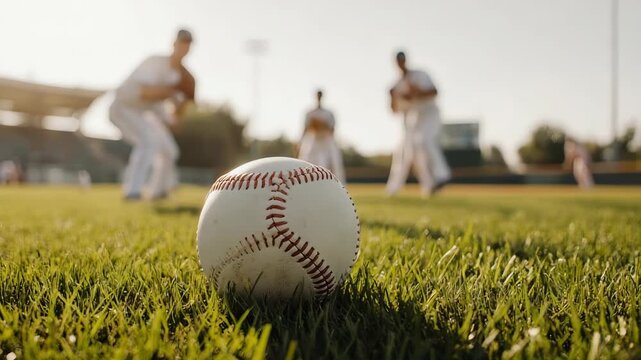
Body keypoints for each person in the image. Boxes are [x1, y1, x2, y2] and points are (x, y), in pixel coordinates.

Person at [109, 29, 196, 200]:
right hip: (123, 107)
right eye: (181, 43)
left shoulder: (179, 75)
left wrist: (175, 115)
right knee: (148, 141)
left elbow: (165, 108)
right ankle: (132, 191)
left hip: (145, 112)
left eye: (187, 44)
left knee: (169, 151)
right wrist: (172, 94)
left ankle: (159, 191)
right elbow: (145, 92)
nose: (183, 47)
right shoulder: (155, 62)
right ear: (174, 43)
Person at [386, 51, 451, 196]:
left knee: (425, 141)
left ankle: (442, 175)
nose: (401, 63)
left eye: (402, 60)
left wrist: (416, 92)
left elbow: (434, 92)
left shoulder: (420, 74)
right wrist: (392, 97)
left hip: (429, 113)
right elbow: (394, 111)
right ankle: (429, 185)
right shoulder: (396, 85)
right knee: (411, 152)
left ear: (406, 60)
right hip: (413, 118)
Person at [298, 89, 346, 182]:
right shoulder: (309, 112)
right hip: (313, 140)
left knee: (333, 164)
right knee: (306, 162)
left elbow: (332, 129)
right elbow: (305, 129)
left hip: (327, 140)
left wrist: (321, 124)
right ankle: (306, 183)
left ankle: (337, 185)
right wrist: (300, 142)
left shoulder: (329, 113)